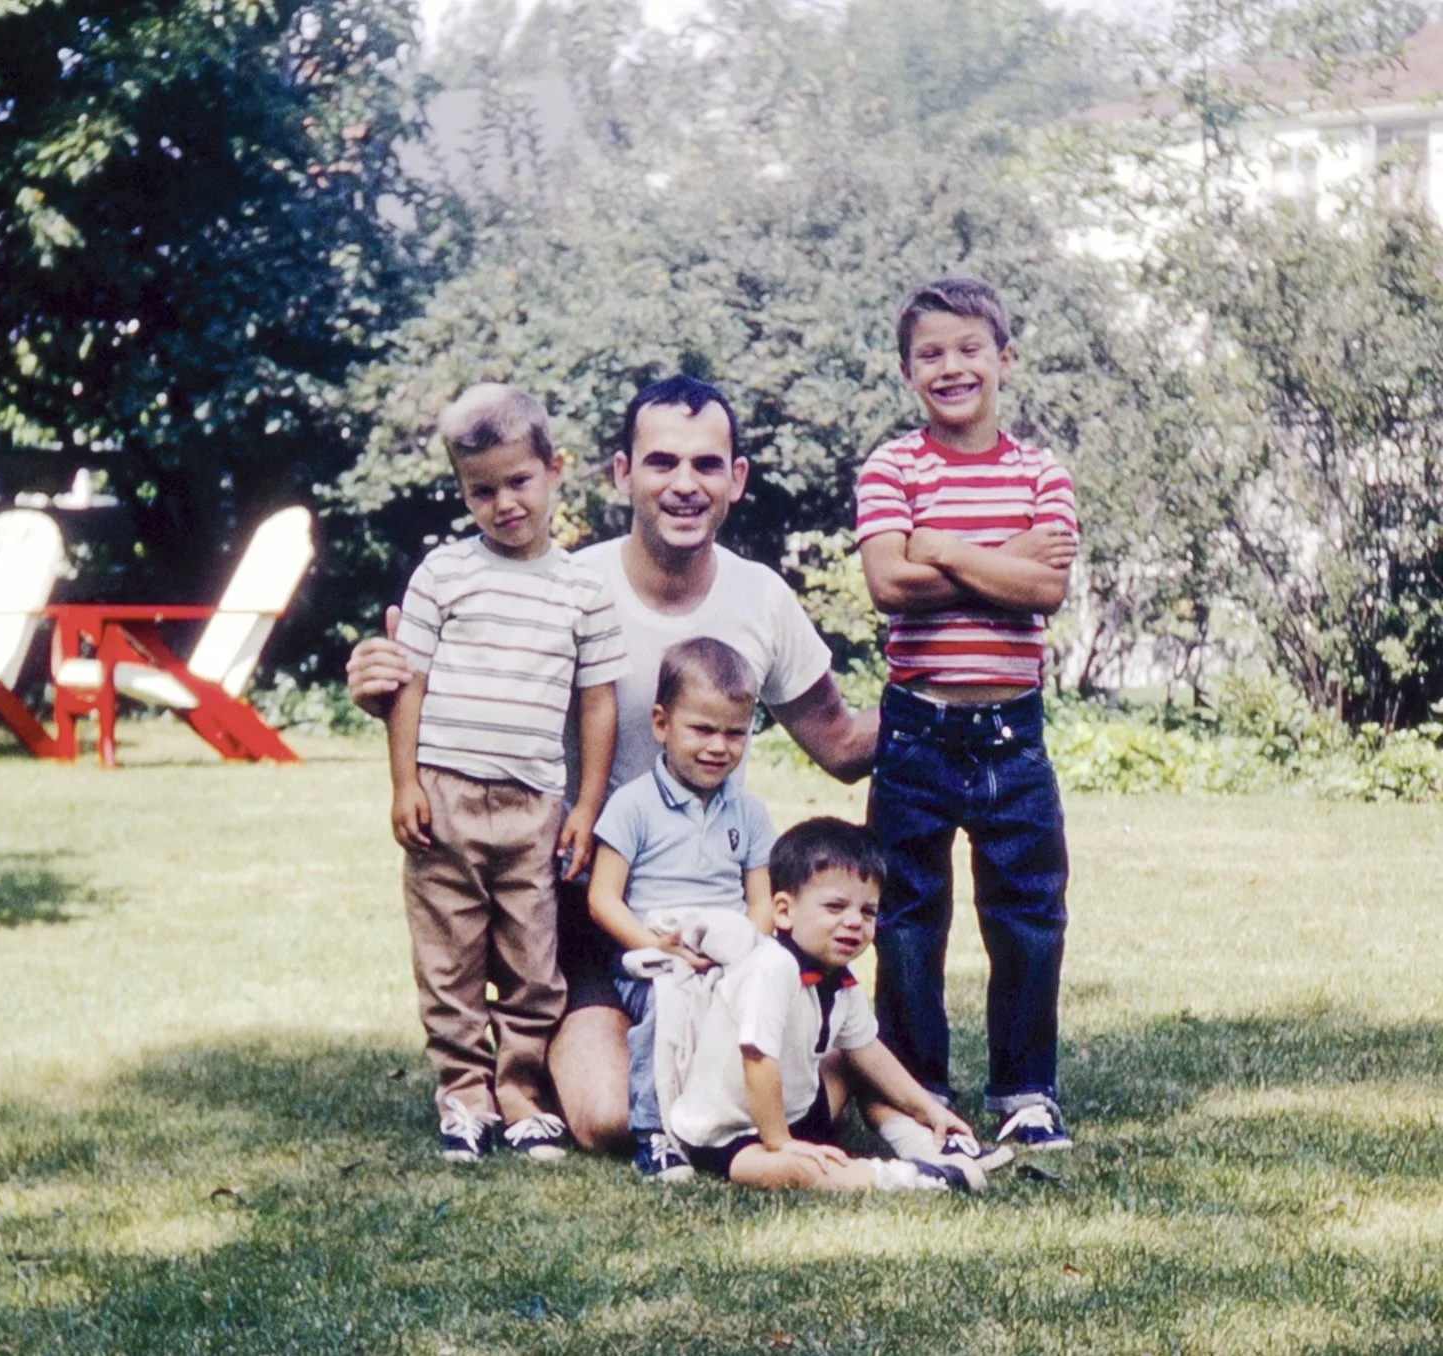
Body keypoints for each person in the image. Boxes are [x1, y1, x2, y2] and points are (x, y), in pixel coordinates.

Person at [349, 374, 878, 1152]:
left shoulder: (762, 599)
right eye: (662, 462)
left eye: (707, 465)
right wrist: (381, 688)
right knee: (602, 1120)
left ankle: (837, 1049)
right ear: (622, 473)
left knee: (792, 1095)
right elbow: (451, 687)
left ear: (737, 480)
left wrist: (948, 681)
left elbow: (839, 745)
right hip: (583, 902)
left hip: (712, 915)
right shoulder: (561, 583)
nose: (684, 485)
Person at [854, 276, 1080, 1151]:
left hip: (1012, 738)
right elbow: (887, 584)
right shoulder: (891, 465)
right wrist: (1000, 558)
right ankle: (916, 1100)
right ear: (910, 372)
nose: (951, 368)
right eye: (930, 355)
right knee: (907, 920)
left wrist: (939, 547)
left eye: (968, 349)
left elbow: (1046, 587)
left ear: (1004, 359)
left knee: (1026, 914)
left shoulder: (1040, 472)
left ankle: (1025, 1091)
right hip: (916, 731)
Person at [387, 383, 630, 1164]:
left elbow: (597, 706)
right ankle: (463, 1095)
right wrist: (405, 784)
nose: (503, 504)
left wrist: (585, 805)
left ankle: (520, 1089)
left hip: (535, 801)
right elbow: (408, 685)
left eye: (518, 482)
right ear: (462, 491)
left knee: (534, 957)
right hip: (446, 797)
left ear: (554, 470)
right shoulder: (443, 575)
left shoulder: (583, 592)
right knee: (449, 955)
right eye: (480, 490)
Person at [669, 817, 991, 1192]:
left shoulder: (839, 978)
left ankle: (930, 1146)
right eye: (836, 907)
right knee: (794, 1172)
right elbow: (756, 1058)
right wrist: (780, 1143)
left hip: (798, 1112)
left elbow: (868, 1052)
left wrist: (929, 1108)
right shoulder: (771, 966)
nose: (854, 922)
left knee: (856, 1064)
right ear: (784, 912)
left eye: (867, 912)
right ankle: (908, 1179)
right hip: (730, 1133)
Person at [587, 637, 777, 1182]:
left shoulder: (749, 813)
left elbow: (761, 899)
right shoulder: (633, 805)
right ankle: (655, 1133)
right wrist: (656, 946)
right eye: (703, 729)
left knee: (770, 992)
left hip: (727, 945)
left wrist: (741, 950)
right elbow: (603, 897)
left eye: (735, 733)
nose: (719, 747)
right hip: (653, 951)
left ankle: (749, 1120)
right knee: (668, 1005)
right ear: (661, 723)